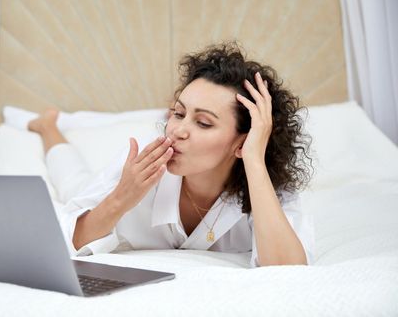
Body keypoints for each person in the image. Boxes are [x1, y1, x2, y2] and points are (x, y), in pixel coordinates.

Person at [28, 41, 315, 267]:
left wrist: (253, 158)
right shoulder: (142, 164)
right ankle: (47, 127)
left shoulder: (267, 189)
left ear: (243, 142)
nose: (177, 130)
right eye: (178, 113)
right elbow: (70, 238)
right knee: (72, 185)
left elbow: (287, 269)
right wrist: (121, 198)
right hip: (111, 189)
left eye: (203, 122)